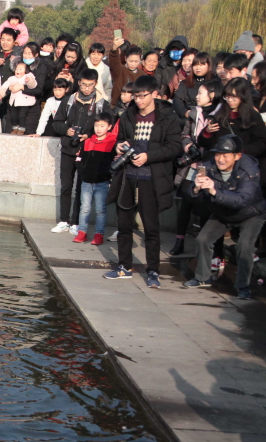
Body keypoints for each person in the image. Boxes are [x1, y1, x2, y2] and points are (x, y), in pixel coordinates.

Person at [103, 75, 183, 288]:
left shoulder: (167, 116)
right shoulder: (128, 114)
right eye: (135, 96)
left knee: (151, 227)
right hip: (127, 176)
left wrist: (150, 156)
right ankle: (124, 266)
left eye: (142, 96)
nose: (138, 100)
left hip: (152, 177)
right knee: (124, 224)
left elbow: (175, 147)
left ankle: (153, 270)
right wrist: (119, 146)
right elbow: (119, 138)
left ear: (155, 94)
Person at [183, 134, 265, 299]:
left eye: (225, 155)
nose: (220, 159)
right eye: (218, 154)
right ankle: (202, 277)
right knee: (202, 239)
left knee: (245, 246)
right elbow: (189, 193)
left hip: (251, 213)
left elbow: (243, 200)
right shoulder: (208, 166)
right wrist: (196, 189)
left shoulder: (249, 169)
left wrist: (214, 191)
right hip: (222, 212)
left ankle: (243, 286)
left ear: (237, 156)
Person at [51, 69, 110, 235]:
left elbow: (107, 127)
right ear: (78, 83)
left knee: (81, 189)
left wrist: (89, 135)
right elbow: (56, 123)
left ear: (96, 84)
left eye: (90, 85)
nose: (86, 88)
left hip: (88, 151)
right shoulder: (69, 101)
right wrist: (67, 130)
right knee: (65, 186)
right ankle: (64, 220)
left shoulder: (101, 104)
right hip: (68, 149)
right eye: (83, 84)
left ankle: (76, 222)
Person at [170, 79, 223, 256]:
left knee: (206, 206)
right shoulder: (194, 114)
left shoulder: (219, 115)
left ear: (212, 95)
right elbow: (184, 134)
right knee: (185, 202)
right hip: (192, 165)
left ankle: (205, 245)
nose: (197, 96)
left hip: (210, 165)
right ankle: (179, 241)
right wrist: (188, 146)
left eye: (201, 93)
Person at [74, 111, 118, 245]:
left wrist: (108, 174)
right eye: (97, 125)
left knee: (100, 210)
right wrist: (82, 171)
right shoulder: (88, 141)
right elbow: (79, 158)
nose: (99, 128)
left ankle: (99, 234)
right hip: (86, 181)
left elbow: (114, 161)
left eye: (102, 126)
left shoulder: (113, 143)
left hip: (102, 182)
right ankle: (82, 232)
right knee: (85, 208)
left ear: (109, 127)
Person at [0, 61, 37, 134]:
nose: (18, 71)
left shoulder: (28, 76)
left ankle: (22, 129)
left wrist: (29, 81)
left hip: (24, 102)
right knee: (13, 116)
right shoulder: (12, 78)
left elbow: (33, 85)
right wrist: (0, 94)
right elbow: (4, 86)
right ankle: (15, 128)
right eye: (17, 69)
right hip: (14, 102)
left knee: (22, 116)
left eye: (20, 69)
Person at [20, 42, 50, 134]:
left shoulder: (41, 67)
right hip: (16, 105)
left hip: (32, 107)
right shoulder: (18, 65)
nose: (27, 56)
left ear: (36, 54)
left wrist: (22, 88)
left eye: (30, 53)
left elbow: (38, 89)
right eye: (25, 53)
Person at [172, 52, 212, 119]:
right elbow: (177, 99)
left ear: (209, 65)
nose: (198, 68)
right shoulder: (185, 82)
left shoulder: (215, 82)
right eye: (195, 65)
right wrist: (185, 112)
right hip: (189, 117)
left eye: (201, 65)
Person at [109, 38, 142, 106]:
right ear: (125, 58)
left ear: (140, 60)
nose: (133, 64)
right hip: (117, 105)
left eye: (136, 61)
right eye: (131, 61)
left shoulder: (142, 75)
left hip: (135, 107)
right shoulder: (120, 70)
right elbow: (114, 62)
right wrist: (114, 49)